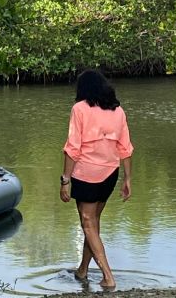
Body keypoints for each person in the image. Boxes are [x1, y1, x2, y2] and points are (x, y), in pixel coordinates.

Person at [60, 69, 133, 289]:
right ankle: (83, 270)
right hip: (110, 173)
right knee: (92, 223)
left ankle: (108, 277)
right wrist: (127, 178)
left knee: (88, 223)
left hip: (86, 174)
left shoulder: (79, 109)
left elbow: (73, 148)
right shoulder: (117, 110)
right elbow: (125, 147)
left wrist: (65, 180)